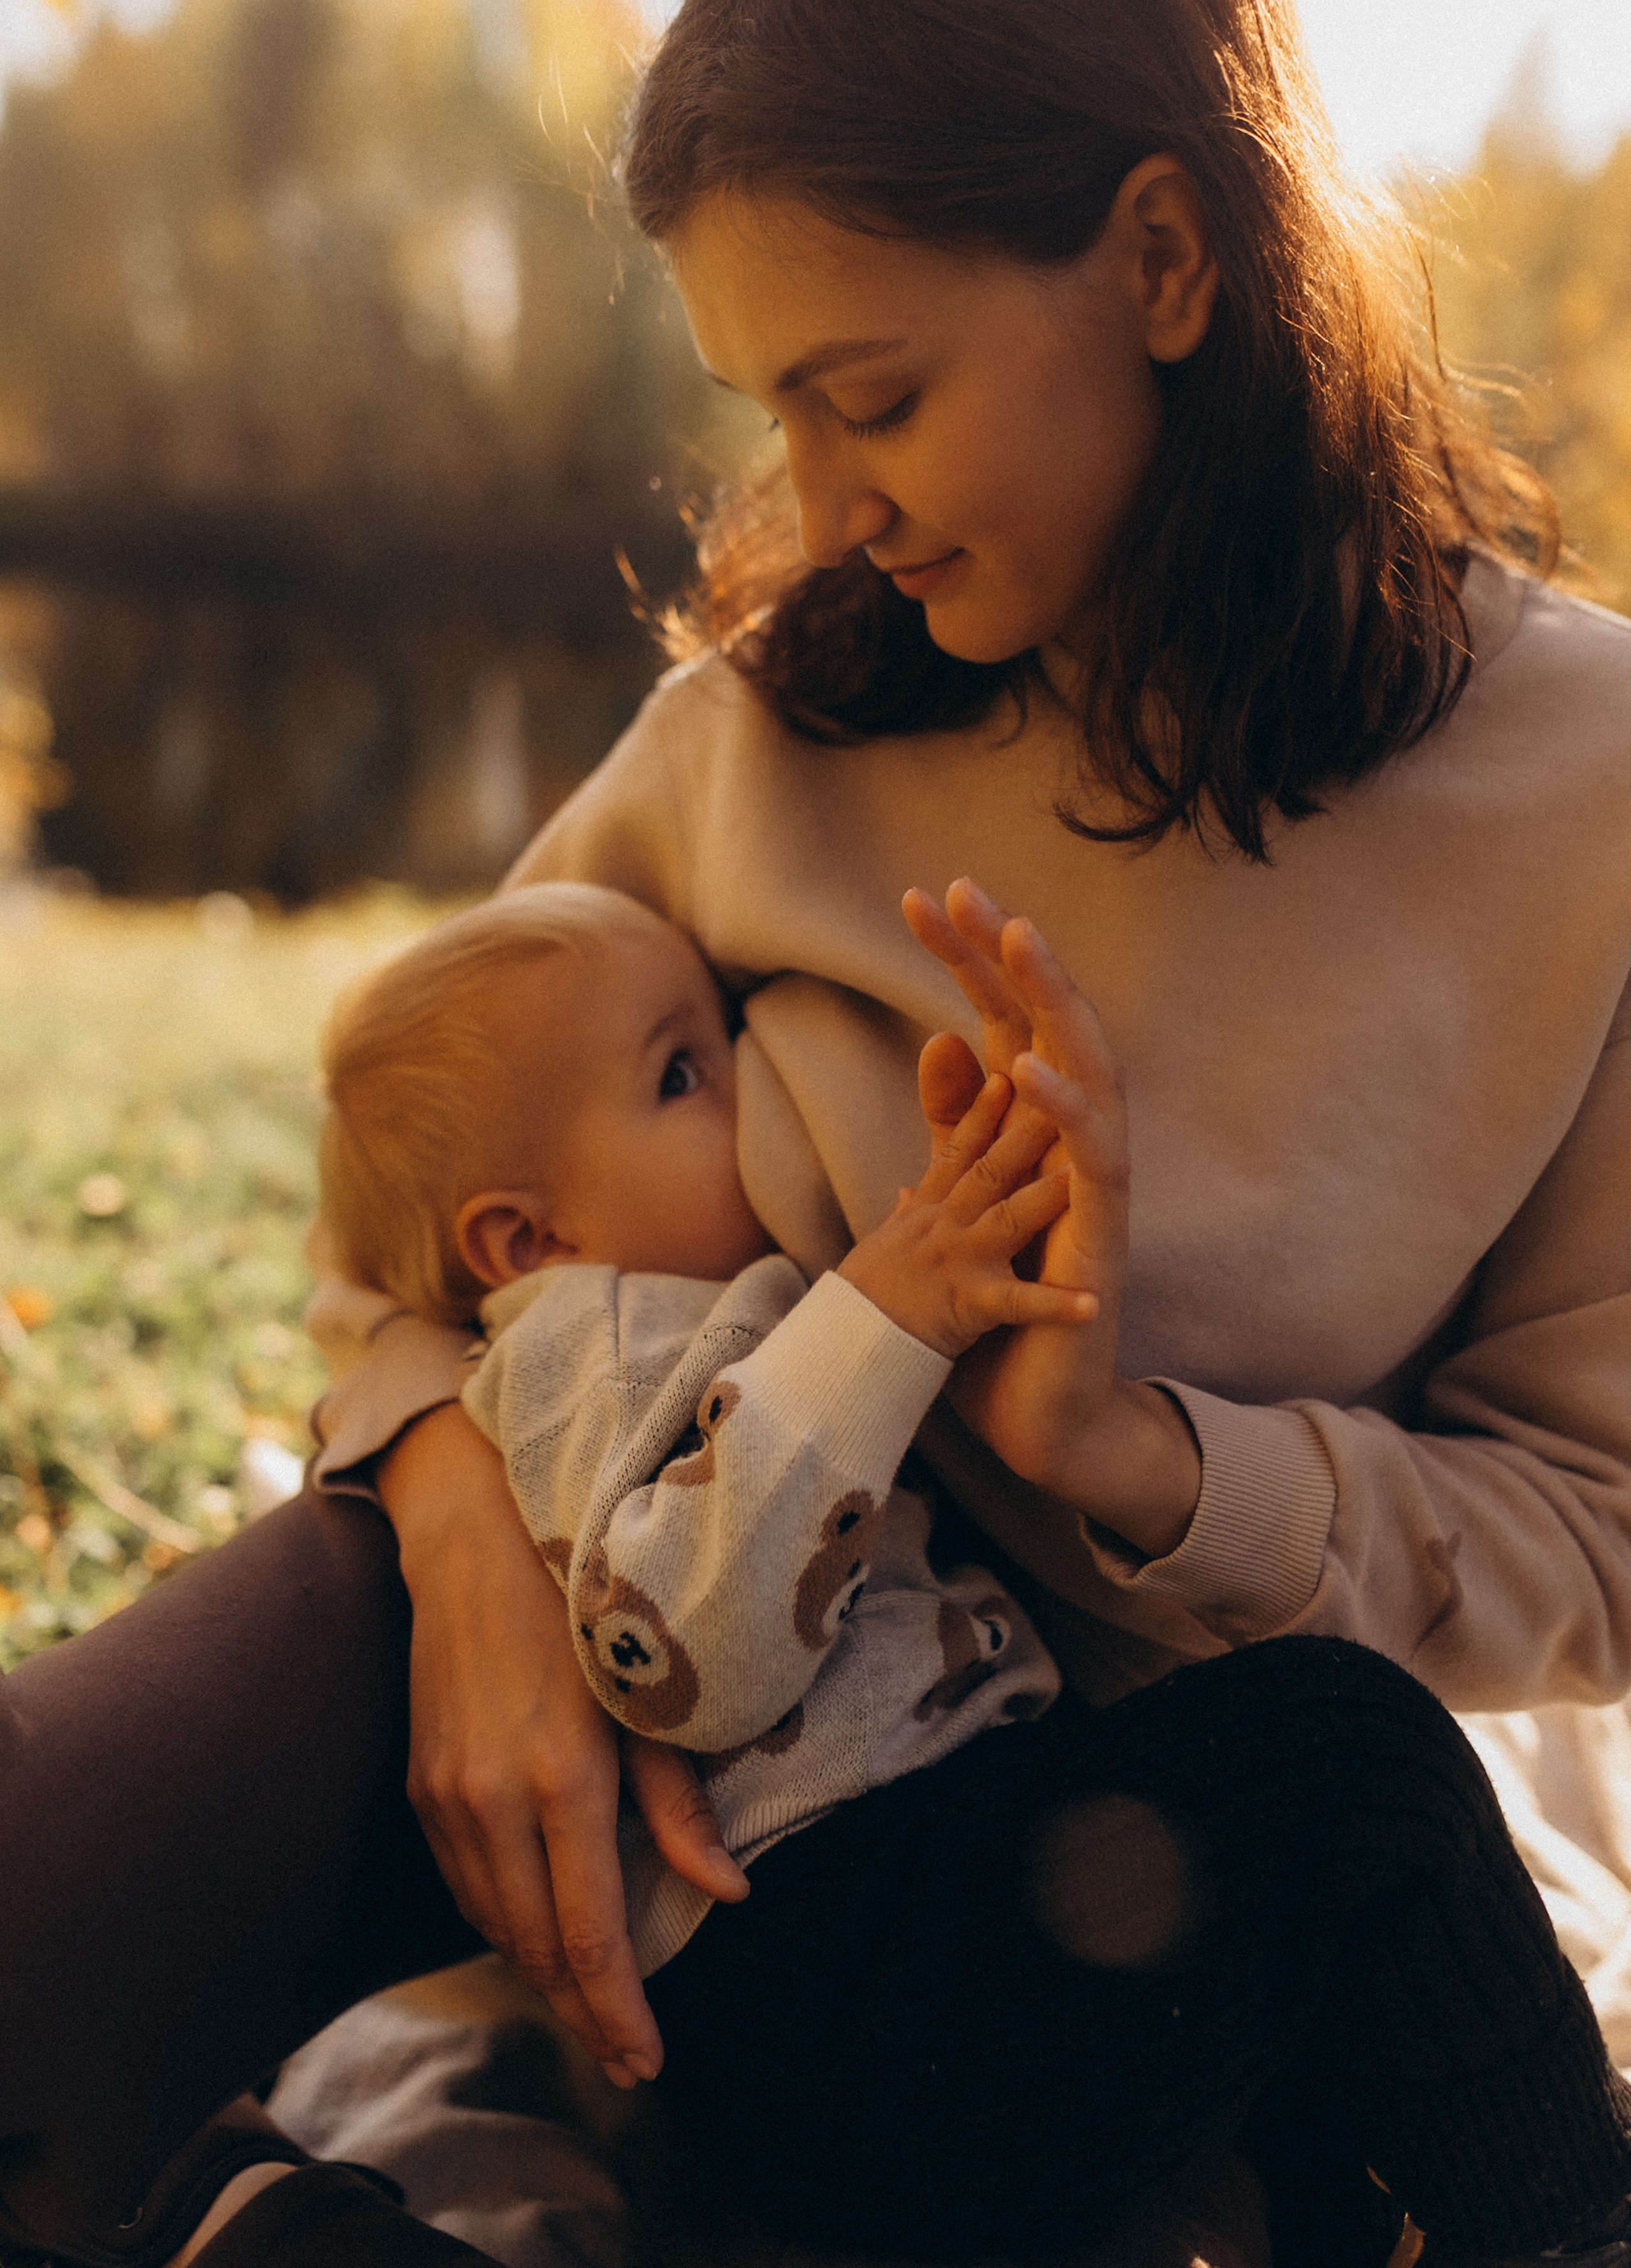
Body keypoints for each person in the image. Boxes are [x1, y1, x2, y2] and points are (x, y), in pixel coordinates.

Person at [0, 0, 1625, 2264]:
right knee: (53, 1879)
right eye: (773, 409)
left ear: (1168, 260)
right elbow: (415, 1209)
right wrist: (451, 1532)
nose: (819, 506)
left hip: (1054, 1847)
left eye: (870, 393)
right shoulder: (746, 735)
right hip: (544, 1692)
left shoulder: (1584, 801)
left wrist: (1140, 1461)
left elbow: (1593, 1535)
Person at [308, 870, 1631, 2268]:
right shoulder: (583, 1341)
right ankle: (1571, 2220)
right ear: (526, 1241)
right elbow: (682, 1656)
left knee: (1299, 2006)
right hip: (833, 1976)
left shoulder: (669, 1309)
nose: (763, 1091)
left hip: (913, 1933)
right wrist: (881, 1317)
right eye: (686, 1072)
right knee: (1347, 1759)